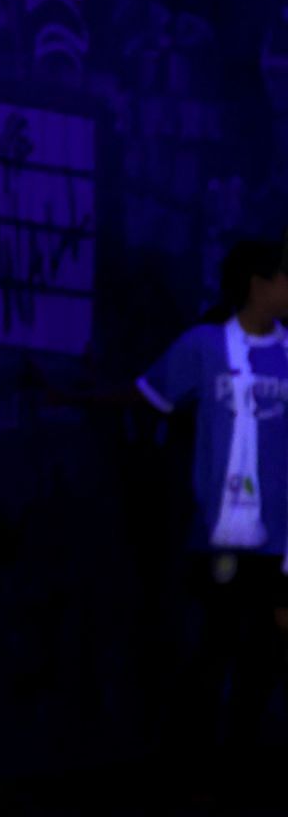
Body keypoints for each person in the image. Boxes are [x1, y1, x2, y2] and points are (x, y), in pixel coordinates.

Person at [138, 239, 288, 783]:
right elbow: (150, 397)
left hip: (278, 542)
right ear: (259, 282)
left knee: (265, 650)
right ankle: (197, 766)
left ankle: (237, 761)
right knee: (217, 644)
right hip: (220, 535)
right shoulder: (205, 346)